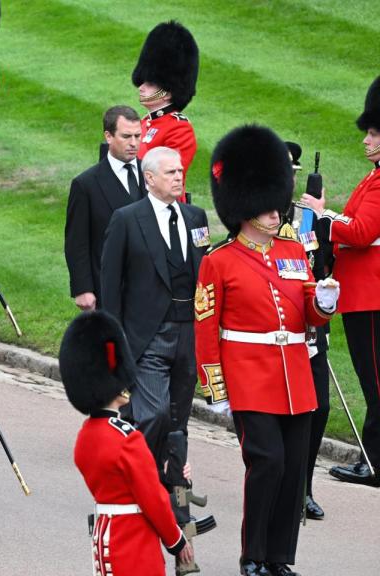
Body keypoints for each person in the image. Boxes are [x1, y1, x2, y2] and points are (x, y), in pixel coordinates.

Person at [195, 125, 338, 576]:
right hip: (248, 377)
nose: (276, 212)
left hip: (294, 375)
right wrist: (215, 388)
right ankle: (252, 555)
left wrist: (324, 302)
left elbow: (308, 312)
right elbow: (206, 330)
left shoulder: (293, 252)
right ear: (243, 207)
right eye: (265, 206)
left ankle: (278, 558)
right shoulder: (218, 261)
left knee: (293, 469)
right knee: (267, 463)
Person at [100, 146, 213, 561]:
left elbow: (206, 273)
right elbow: (110, 288)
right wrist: (112, 349)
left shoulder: (195, 218)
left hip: (189, 335)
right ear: (149, 178)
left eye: (181, 171)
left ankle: (175, 505)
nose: (178, 177)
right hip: (145, 338)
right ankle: (138, 493)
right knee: (152, 415)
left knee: (178, 423)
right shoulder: (127, 220)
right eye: (170, 172)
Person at [59, 310, 194, 576]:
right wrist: (177, 541)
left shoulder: (86, 437)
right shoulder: (127, 438)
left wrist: (164, 474)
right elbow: (151, 498)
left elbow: (121, 482)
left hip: (105, 536)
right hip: (135, 541)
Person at [303, 75, 380, 488]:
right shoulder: (373, 177)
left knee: (376, 381)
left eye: (373, 133)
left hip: (371, 295)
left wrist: (321, 214)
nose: (366, 141)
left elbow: (363, 231)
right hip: (365, 292)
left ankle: (375, 461)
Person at [279, 141, 332, 518]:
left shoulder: (304, 218)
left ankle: (305, 486)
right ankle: (284, 486)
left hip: (311, 327)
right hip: (278, 329)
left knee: (321, 408)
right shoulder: (255, 216)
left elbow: (325, 264)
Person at [65, 105, 145, 311]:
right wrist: (83, 288)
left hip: (149, 290)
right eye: (126, 136)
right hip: (108, 290)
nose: (134, 143)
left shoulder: (152, 174)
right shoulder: (86, 184)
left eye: (138, 136)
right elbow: (77, 241)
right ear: (108, 136)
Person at [132, 21, 198, 200]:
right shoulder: (144, 122)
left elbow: (168, 177)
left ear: (168, 91)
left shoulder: (179, 129)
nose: (141, 87)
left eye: (150, 83)